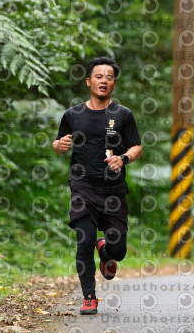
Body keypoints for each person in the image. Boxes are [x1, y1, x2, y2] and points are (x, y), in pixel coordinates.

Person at [53, 57, 142, 315]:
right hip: (82, 187)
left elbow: (136, 147)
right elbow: (57, 143)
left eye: (109, 77)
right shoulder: (73, 115)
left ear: (114, 84)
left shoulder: (123, 115)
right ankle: (89, 297)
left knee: (119, 251)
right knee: (84, 241)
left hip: (113, 191)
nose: (104, 81)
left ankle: (106, 250)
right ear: (88, 81)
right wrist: (59, 145)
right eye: (99, 76)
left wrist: (123, 158)